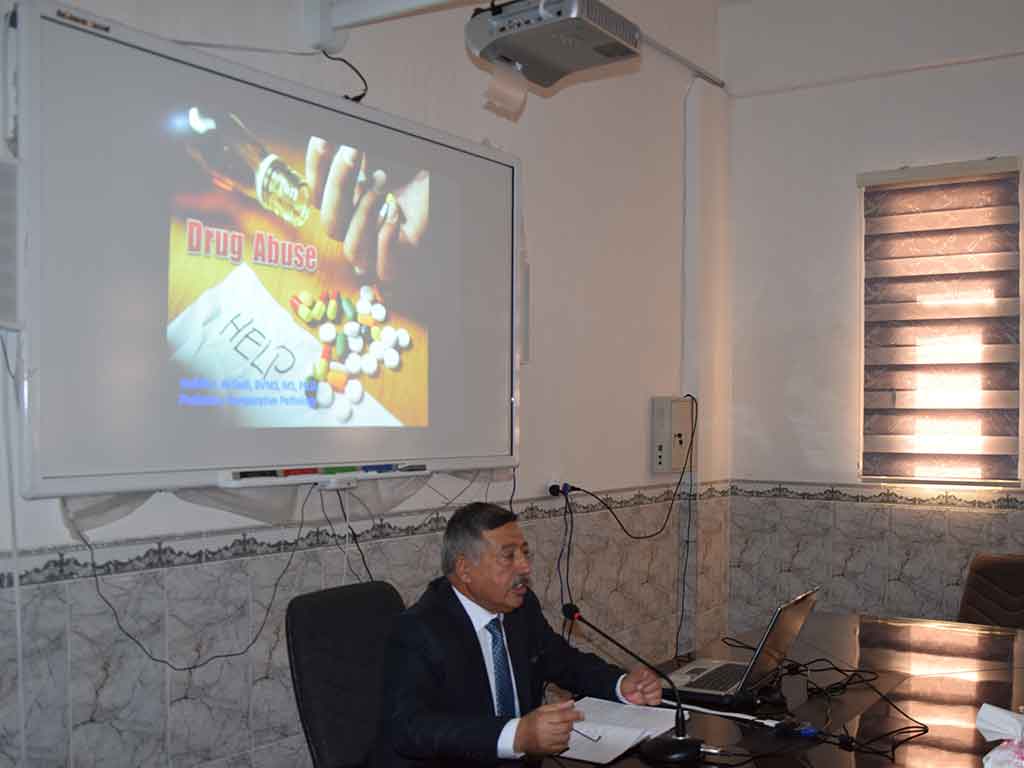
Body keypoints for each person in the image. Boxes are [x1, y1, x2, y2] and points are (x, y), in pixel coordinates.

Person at [371, 502, 664, 767]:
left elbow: (562, 660)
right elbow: (409, 727)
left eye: (525, 553)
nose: (525, 566)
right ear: (465, 569)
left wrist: (619, 684)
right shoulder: (418, 630)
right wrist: (516, 735)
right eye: (508, 556)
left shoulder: (520, 607)